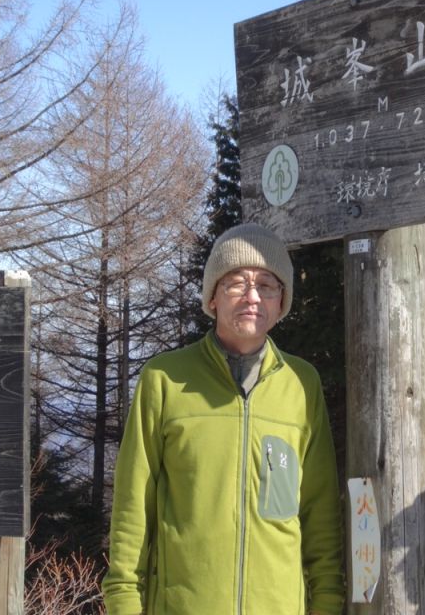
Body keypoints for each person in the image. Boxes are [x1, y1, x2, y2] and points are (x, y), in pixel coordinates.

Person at [102, 223, 344, 615]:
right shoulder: (164, 379)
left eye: (267, 285)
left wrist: (328, 603)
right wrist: (124, 601)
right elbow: (133, 505)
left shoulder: (302, 384)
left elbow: (319, 512)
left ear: (281, 302)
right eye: (237, 283)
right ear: (213, 297)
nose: (253, 297)